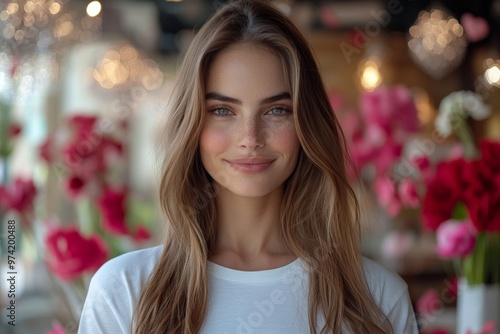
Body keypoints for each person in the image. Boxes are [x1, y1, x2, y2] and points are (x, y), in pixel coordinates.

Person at [78, 0, 418, 333]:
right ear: (192, 125)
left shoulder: (378, 298)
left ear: (307, 125)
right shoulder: (123, 291)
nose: (250, 138)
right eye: (223, 110)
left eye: (277, 110)